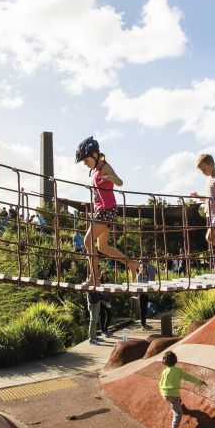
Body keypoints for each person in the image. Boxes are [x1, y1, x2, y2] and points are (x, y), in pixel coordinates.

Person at [76, 137, 138, 285]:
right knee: (101, 247)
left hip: (107, 210)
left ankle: (94, 279)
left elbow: (120, 182)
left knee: (87, 241)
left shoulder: (105, 167)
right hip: (101, 210)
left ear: (95, 155)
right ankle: (131, 263)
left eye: (86, 160)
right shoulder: (95, 170)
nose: (85, 163)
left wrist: (110, 177)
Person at [159, 351, 206, 428]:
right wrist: (200, 382)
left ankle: (179, 404)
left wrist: (163, 393)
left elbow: (160, 383)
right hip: (173, 395)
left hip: (164, 393)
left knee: (176, 400)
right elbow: (189, 377)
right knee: (178, 413)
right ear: (175, 361)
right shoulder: (178, 371)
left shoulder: (164, 371)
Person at [137, 262, 153, 330]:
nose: (143, 270)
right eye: (141, 268)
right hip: (141, 294)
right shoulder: (139, 276)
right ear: (140, 269)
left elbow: (149, 284)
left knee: (145, 309)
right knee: (142, 310)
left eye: (144, 268)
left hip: (146, 294)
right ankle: (143, 325)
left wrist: (149, 293)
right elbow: (140, 285)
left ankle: (145, 324)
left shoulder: (147, 275)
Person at [98, 270, 113, 338]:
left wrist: (109, 301)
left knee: (109, 316)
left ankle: (106, 330)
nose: (106, 275)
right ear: (102, 274)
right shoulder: (99, 281)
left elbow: (110, 292)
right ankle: (102, 331)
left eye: (107, 274)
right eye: (104, 274)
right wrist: (102, 300)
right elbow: (98, 292)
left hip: (107, 301)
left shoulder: (108, 282)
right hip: (101, 301)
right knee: (102, 317)